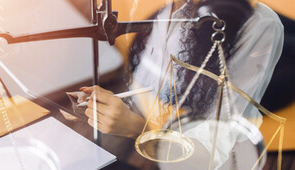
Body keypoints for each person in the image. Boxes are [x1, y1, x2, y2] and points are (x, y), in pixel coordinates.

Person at [77, 0, 283, 138]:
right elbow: (147, 83)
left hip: (192, 166)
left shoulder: (257, 25)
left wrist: (139, 128)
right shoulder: (163, 11)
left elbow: (217, 146)